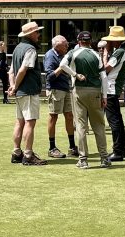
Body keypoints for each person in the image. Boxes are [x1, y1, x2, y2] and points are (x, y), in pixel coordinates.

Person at [59, 31, 109, 169]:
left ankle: (83, 159)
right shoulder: (96, 55)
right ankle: (104, 158)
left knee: (81, 126)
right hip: (96, 92)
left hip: (79, 91)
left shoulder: (73, 53)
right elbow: (104, 77)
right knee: (99, 126)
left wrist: (75, 74)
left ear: (78, 41)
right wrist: (105, 96)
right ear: (90, 41)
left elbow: (62, 65)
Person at [8, 21, 47, 166]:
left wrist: (13, 87)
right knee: (30, 123)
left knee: (19, 122)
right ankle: (28, 154)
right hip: (29, 90)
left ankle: (16, 152)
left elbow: (11, 71)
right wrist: (16, 86)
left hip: (20, 92)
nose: (39, 34)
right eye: (37, 32)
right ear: (30, 34)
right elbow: (23, 70)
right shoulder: (30, 49)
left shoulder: (18, 48)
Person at [43, 35, 79, 158]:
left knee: (69, 116)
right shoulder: (50, 56)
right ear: (57, 45)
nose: (67, 46)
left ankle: (72, 147)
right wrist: (62, 67)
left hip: (66, 88)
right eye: (65, 44)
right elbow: (49, 77)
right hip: (55, 90)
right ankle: (52, 148)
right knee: (53, 117)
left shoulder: (63, 55)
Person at [101, 26, 125, 161]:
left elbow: (106, 69)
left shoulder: (119, 51)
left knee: (114, 122)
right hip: (114, 88)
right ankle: (120, 150)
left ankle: (118, 151)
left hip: (111, 89)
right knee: (117, 121)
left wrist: (104, 55)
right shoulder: (123, 50)